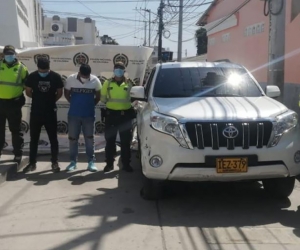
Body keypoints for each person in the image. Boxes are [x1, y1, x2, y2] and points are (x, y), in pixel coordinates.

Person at [23, 58, 63, 173]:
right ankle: (32, 163)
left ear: (49, 66)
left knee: (53, 139)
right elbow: (28, 92)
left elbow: (59, 93)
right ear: (38, 67)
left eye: (45, 69)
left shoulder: (55, 77)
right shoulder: (32, 76)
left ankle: (54, 162)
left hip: (50, 112)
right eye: (41, 69)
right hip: (36, 112)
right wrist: (39, 99)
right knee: (34, 139)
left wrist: (49, 101)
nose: (43, 71)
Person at [64, 64, 101, 172]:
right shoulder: (71, 79)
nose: (85, 77)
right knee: (72, 139)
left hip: (89, 115)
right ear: (79, 73)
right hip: (73, 115)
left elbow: (98, 97)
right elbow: (66, 94)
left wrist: (89, 105)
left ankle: (91, 162)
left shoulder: (95, 80)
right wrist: (75, 104)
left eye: (87, 75)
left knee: (89, 139)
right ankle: (73, 162)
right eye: (83, 75)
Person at [101, 61, 136, 173]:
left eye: (121, 69)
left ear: (124, 71)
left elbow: (135, 97)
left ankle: (126, 164)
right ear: (114, 70)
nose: (119, 71)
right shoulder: (107, 83)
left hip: (125, 116)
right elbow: (103, 98)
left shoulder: (130, 83)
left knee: (126, 142)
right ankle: (109, 164)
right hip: (111, 115)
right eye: (117, 68)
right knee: (110, 141)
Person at [0, 45, 28, 163]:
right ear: (3, 55)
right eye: (7, 54)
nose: (9, 56)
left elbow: (27, 85)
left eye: (11, 54)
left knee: (15, 130)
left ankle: (17, 154)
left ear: (15, 54)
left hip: (14, 103)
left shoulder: (22, 68)